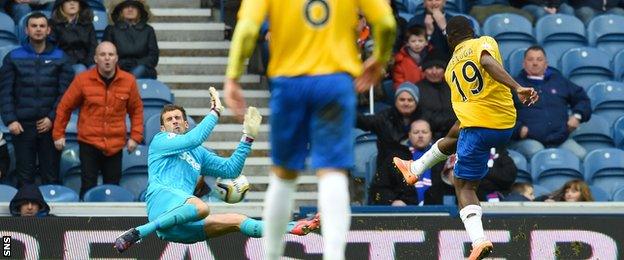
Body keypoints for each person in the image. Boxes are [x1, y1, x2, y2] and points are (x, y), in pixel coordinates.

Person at [223, 0, 396, 258]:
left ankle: (270, 255)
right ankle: (334, 255)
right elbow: (386, 22)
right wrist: (379, 58)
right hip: (334, 82)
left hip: (289, 82)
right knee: (333, 171)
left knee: (283, 176)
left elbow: (248, 28)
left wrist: (233, 76)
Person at [393, 16, 538, 259]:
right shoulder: (483, 41)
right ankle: (415, 167)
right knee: (454, 133)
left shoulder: (450, 69)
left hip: (477, 130)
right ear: (472, 31)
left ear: (450, 40)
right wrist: (517, 89)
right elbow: (487, 62)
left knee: (464, 185)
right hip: (503, 125)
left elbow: (486, 63)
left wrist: (517, 87)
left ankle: (479, 240)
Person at [113, 94, 321, 252]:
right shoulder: (160, 141)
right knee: (201, 206)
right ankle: (139, 232)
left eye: (178, 118)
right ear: (162, 127)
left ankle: (293, 227)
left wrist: (247, 138)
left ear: (186, 124)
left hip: (182, 223)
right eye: (169, 119)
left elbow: (231, 169)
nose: (174, 121)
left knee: (238, 221)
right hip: (161, 203)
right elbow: (193, 139)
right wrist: (215, 112)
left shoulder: (199, 154)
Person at [52, 41, 144, 198]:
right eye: (102, 55)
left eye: (111, 55)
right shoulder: (83, 80)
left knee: (113, 187)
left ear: (116, 58)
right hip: (89, 142)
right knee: (88, 185)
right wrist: (58, 134)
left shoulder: (128, 81)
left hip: (115, 144)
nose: (107, 58)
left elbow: (136, 110)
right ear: (95, 59)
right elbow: (64, 107)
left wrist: (135, 136)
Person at [0, 12, 73, 187]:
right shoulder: (13, 57)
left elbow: (65, 94)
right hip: (22, 127)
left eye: (42, 26)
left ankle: (49, 214)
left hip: (50, 126)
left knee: (50, 175)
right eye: (34, 26)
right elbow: (5, 92)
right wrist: (11, 120)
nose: (38, 29)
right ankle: (26, 214)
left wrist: (51, 118)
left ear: (48, 30)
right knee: (24, 176)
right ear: (26, 30)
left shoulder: (60, 58)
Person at [510, 46, 591, 159]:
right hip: (529, 139)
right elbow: (500, 112)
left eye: (539, 59)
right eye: (530, 59)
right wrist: (518, 129)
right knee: (539, 154)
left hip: (560, 138)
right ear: (524, 63)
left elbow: (582, 99)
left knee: (582, 156)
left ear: (546, 63)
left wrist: (577, 116)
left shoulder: (559, 81)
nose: (535, 63)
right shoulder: (514, 85)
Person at [357, 83, 422, 206]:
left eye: (410, 100)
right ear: (395, 101)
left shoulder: (424, 118)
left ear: (416, 102)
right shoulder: (384, 118)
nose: (406, 103)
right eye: (402, 99)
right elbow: (362, 121)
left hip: (418, 169)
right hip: (387, 173)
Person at [103, 0, 158, 79]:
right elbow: (105, 54)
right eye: (126, 6)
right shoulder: (111, 30)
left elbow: (153, 57)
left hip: (143, 70)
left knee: (139, 70)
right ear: (121, 10)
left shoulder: (148, 30)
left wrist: (136, 63)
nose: (130, 9)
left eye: (134, 7)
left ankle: (127, 84)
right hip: (118, 68)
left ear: (139, 10)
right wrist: (121, 63)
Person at [416, 48, 456, 140]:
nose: (434, 72)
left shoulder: (452, 87)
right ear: (424, 70)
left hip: (453, 135)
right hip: (427, 137)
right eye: (430, 68)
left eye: (438, 68)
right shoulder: (417, 89)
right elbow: (421, 115)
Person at [49, 0, 97, 74]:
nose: (72, 3)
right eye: (68, 1)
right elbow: (52, 47)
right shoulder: (53, 24)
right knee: (80, 70)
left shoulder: (88, 24)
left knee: (96, 69)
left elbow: (93, 46)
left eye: (75, 1)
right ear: (61, 4)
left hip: (87, 61)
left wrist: (88, 63)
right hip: (65, 63)